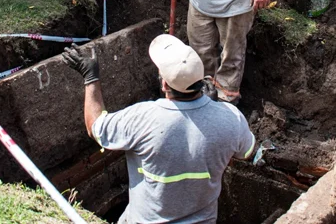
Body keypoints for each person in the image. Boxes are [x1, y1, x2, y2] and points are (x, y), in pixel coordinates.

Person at [63, 34, 256, 223]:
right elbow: (246, 152)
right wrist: (212, 111)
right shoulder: (231, 117)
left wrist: (91, 77)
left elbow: (95, 127)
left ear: (164, 84)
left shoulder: (143, 119)